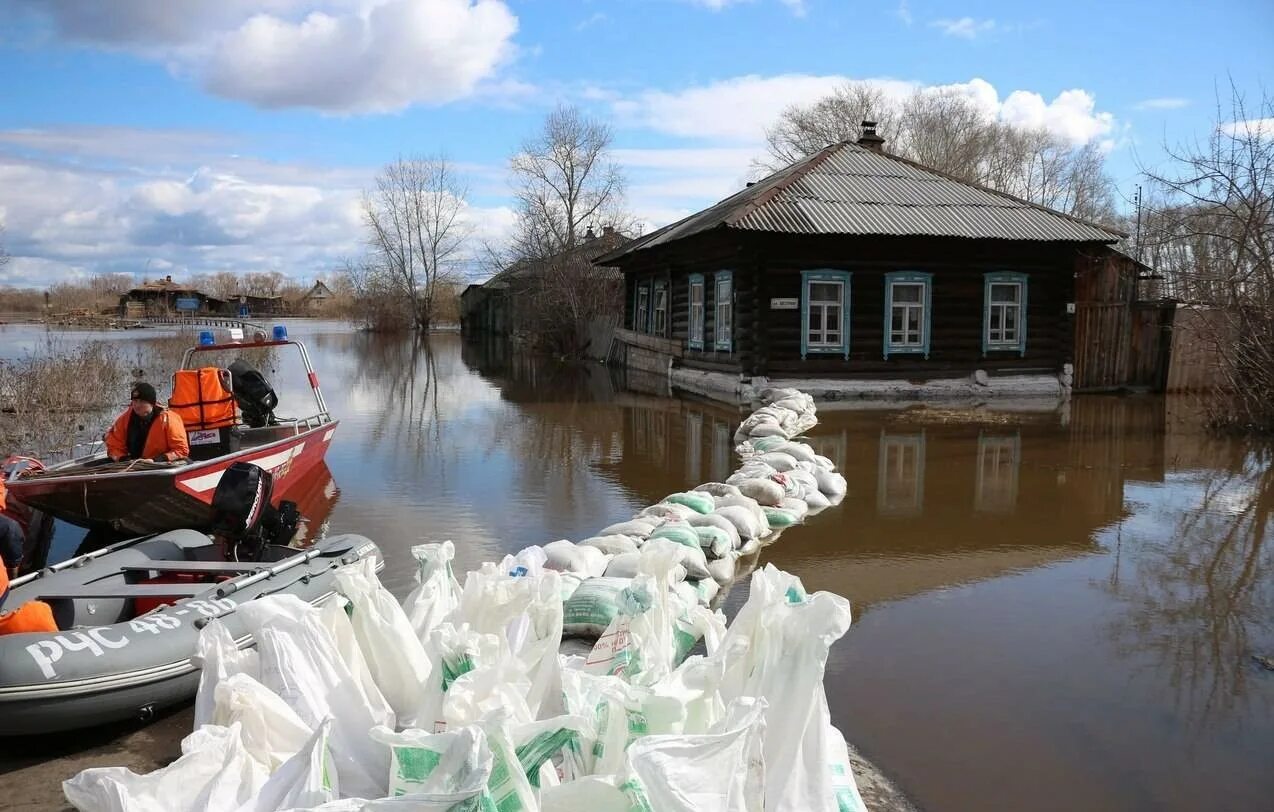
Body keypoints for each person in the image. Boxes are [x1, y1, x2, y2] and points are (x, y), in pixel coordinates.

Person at [104, 382, 189, 463]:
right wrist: (124, 459)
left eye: (142, 402)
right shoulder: (124, 420)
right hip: (135, 466)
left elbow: (181, 450)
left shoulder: (169, 419)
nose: (137, 405)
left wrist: (155, 461)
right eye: (135, 401)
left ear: (152, 403)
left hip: (162, 464)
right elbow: (113, 446)